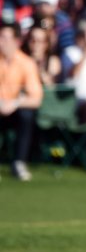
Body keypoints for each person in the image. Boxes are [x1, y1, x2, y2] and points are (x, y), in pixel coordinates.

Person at [0, 21, 43, 181]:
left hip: (14, 111)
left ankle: (19, 162)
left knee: (26, 115)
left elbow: (36, 98)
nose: (0, 41)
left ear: (16, 41)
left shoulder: (26, 63)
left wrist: (15, 103)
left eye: (5, 37)